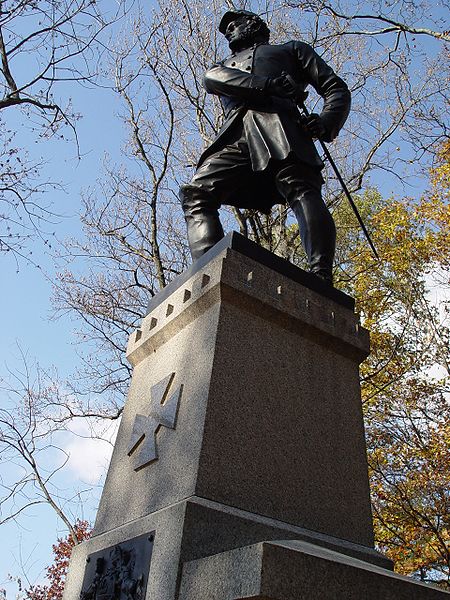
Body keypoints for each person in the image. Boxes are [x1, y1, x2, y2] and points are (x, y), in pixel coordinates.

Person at [179, 9, 351, 285]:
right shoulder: (220, 67)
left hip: (282, 127)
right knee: (197, 193)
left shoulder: (292, 50)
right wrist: (269, 84)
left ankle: (321, 276)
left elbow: (335, 88)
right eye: (226, 29)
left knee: (300, 188)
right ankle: (209, 277)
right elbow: (212, 80)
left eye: (235, 24)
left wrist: (326, 120)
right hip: (237, 134)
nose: (229, 31)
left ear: (254, 24)